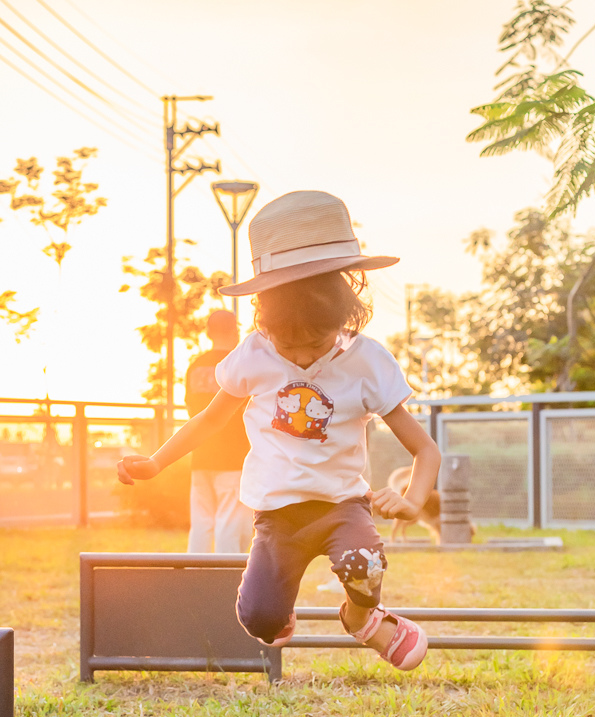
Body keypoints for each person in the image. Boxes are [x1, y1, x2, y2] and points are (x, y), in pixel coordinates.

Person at [118, 190, 441, 671]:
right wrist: (156, 461)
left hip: (341, 505)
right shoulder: (254, 354)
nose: (303, 356)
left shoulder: (367, 361)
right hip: (277, 514)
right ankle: (273, 608)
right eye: (287, 343)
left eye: (314, 341)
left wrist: (413, 501)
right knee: (261, 623)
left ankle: (363, 619)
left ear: (345, 316)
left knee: (363, 563)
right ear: (263, 319)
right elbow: (209, 419)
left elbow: (424, 449)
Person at [185, 309, 252, 553]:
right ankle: (226, 580)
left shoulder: (195, 366)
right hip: (234, 456)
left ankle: (194, 576)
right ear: (236, 330)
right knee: (229, 522)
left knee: (201, 522)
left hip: (200, 453)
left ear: (208, 332)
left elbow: (192, 410)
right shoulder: (239, 363)